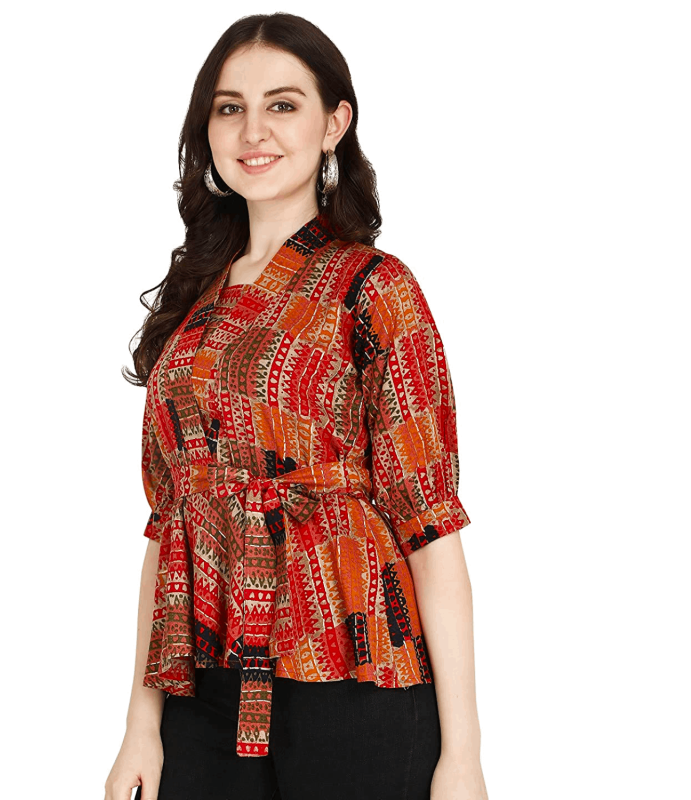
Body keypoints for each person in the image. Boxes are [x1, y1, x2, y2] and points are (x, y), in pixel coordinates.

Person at [105, 12, 488, 800]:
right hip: (202, 683)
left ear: (334, 123)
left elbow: (429, 528)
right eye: (230, 107)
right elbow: (169, 524)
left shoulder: (375, 290)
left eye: (282, 104)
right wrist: (139, 725)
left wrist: (464, 755)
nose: (254, 131)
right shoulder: (192, 303)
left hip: (354, 677)